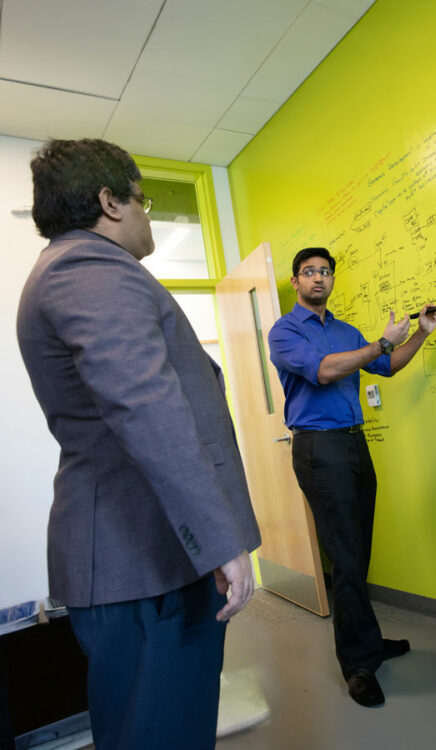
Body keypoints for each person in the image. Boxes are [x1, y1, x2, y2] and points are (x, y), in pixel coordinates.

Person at [16, 139, 261, 750]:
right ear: (110, 201)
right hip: (143, 561)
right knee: (159, 732)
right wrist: (219, 537)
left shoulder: (77, 269)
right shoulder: (89, 269)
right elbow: (146, 406)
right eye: (142, 199)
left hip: (145, 557)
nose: (147, 214)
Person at [268, 247, 436, 707]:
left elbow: (387, 366)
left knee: (358, 547)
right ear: (296, 280)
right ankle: (358, 664)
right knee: (343, 552)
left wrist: (419, 336)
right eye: (309, 272)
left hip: (353, 443)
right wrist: (381, 342)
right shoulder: (284, 332)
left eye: (325, 271)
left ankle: (368, 639)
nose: (318, 278)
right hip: (318, 448)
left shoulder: (346, 331)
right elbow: (324, 372)